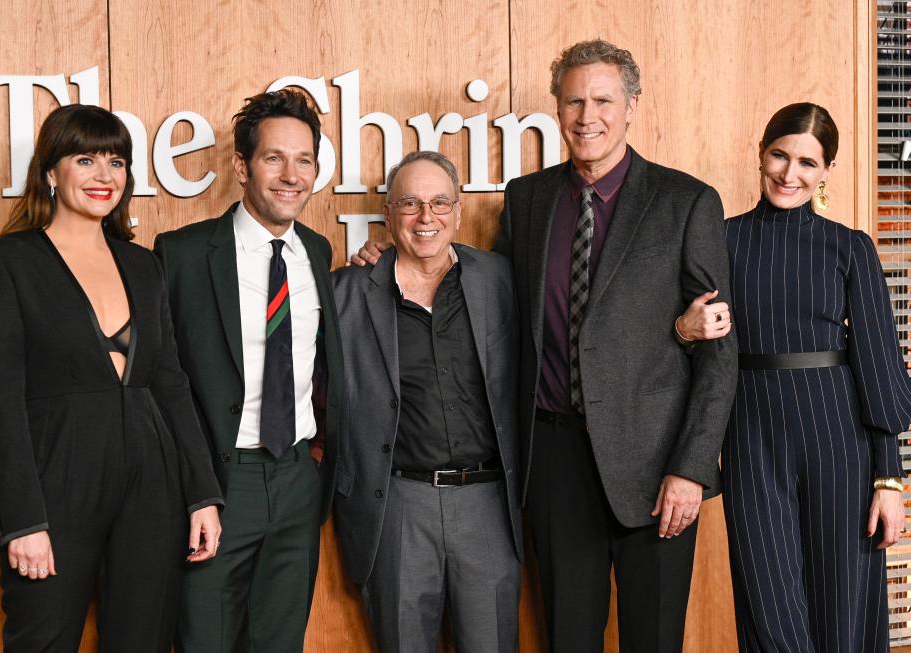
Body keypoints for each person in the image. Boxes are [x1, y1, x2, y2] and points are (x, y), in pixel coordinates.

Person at [354, 39, 738, 651]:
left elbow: (719, 356)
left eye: (603, 100)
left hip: (656, 467)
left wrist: (690, 470)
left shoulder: (685, 202)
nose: (588, 116)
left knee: (654, 638)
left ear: (632, 106)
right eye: (574, 101)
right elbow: (483, 295)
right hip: (554, 463)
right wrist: (388, 255)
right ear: (557, 109)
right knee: (568, 638)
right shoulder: (529, 199)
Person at [0, 103, 223, 652]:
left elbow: (170, 383)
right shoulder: (2, 262)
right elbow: (2, 402)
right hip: (57, 482)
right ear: (50, 171)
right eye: (85, 159)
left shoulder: (143, 265)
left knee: (144, 641)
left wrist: (203, 494)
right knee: (42, 639)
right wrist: (23, 522)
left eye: (117, 162)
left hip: (153, 483)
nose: (104, 176)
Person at [677, 102, 911, 652]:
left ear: (826, 169)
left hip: (841, 442)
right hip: (751, 439)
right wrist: (685, 329)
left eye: (808, 162)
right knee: (769, 611)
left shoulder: (850, 247)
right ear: (761, 153)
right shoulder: (721, 241)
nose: (789, 173)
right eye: (780, 155)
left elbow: (878, 371)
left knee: (844, 606)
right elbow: (684, 354)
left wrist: (889, 480)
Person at [154, 89, 344, 653]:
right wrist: (196, 493)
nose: (292, 175)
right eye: (273, 158)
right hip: (218, 483)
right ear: (242, 166)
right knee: (205, 641)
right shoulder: (183, 254)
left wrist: (315, 459)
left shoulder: (316, 249)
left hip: (296, 480)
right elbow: (165, 384)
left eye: (304, 160)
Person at [332, 151, 523, 652]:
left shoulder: (502, 280)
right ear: (389, 213)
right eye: (411, 203)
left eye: (440, 203)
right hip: (396, 505)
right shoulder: (346, 291)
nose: (426, 217)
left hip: (488, 505)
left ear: (458, 212)